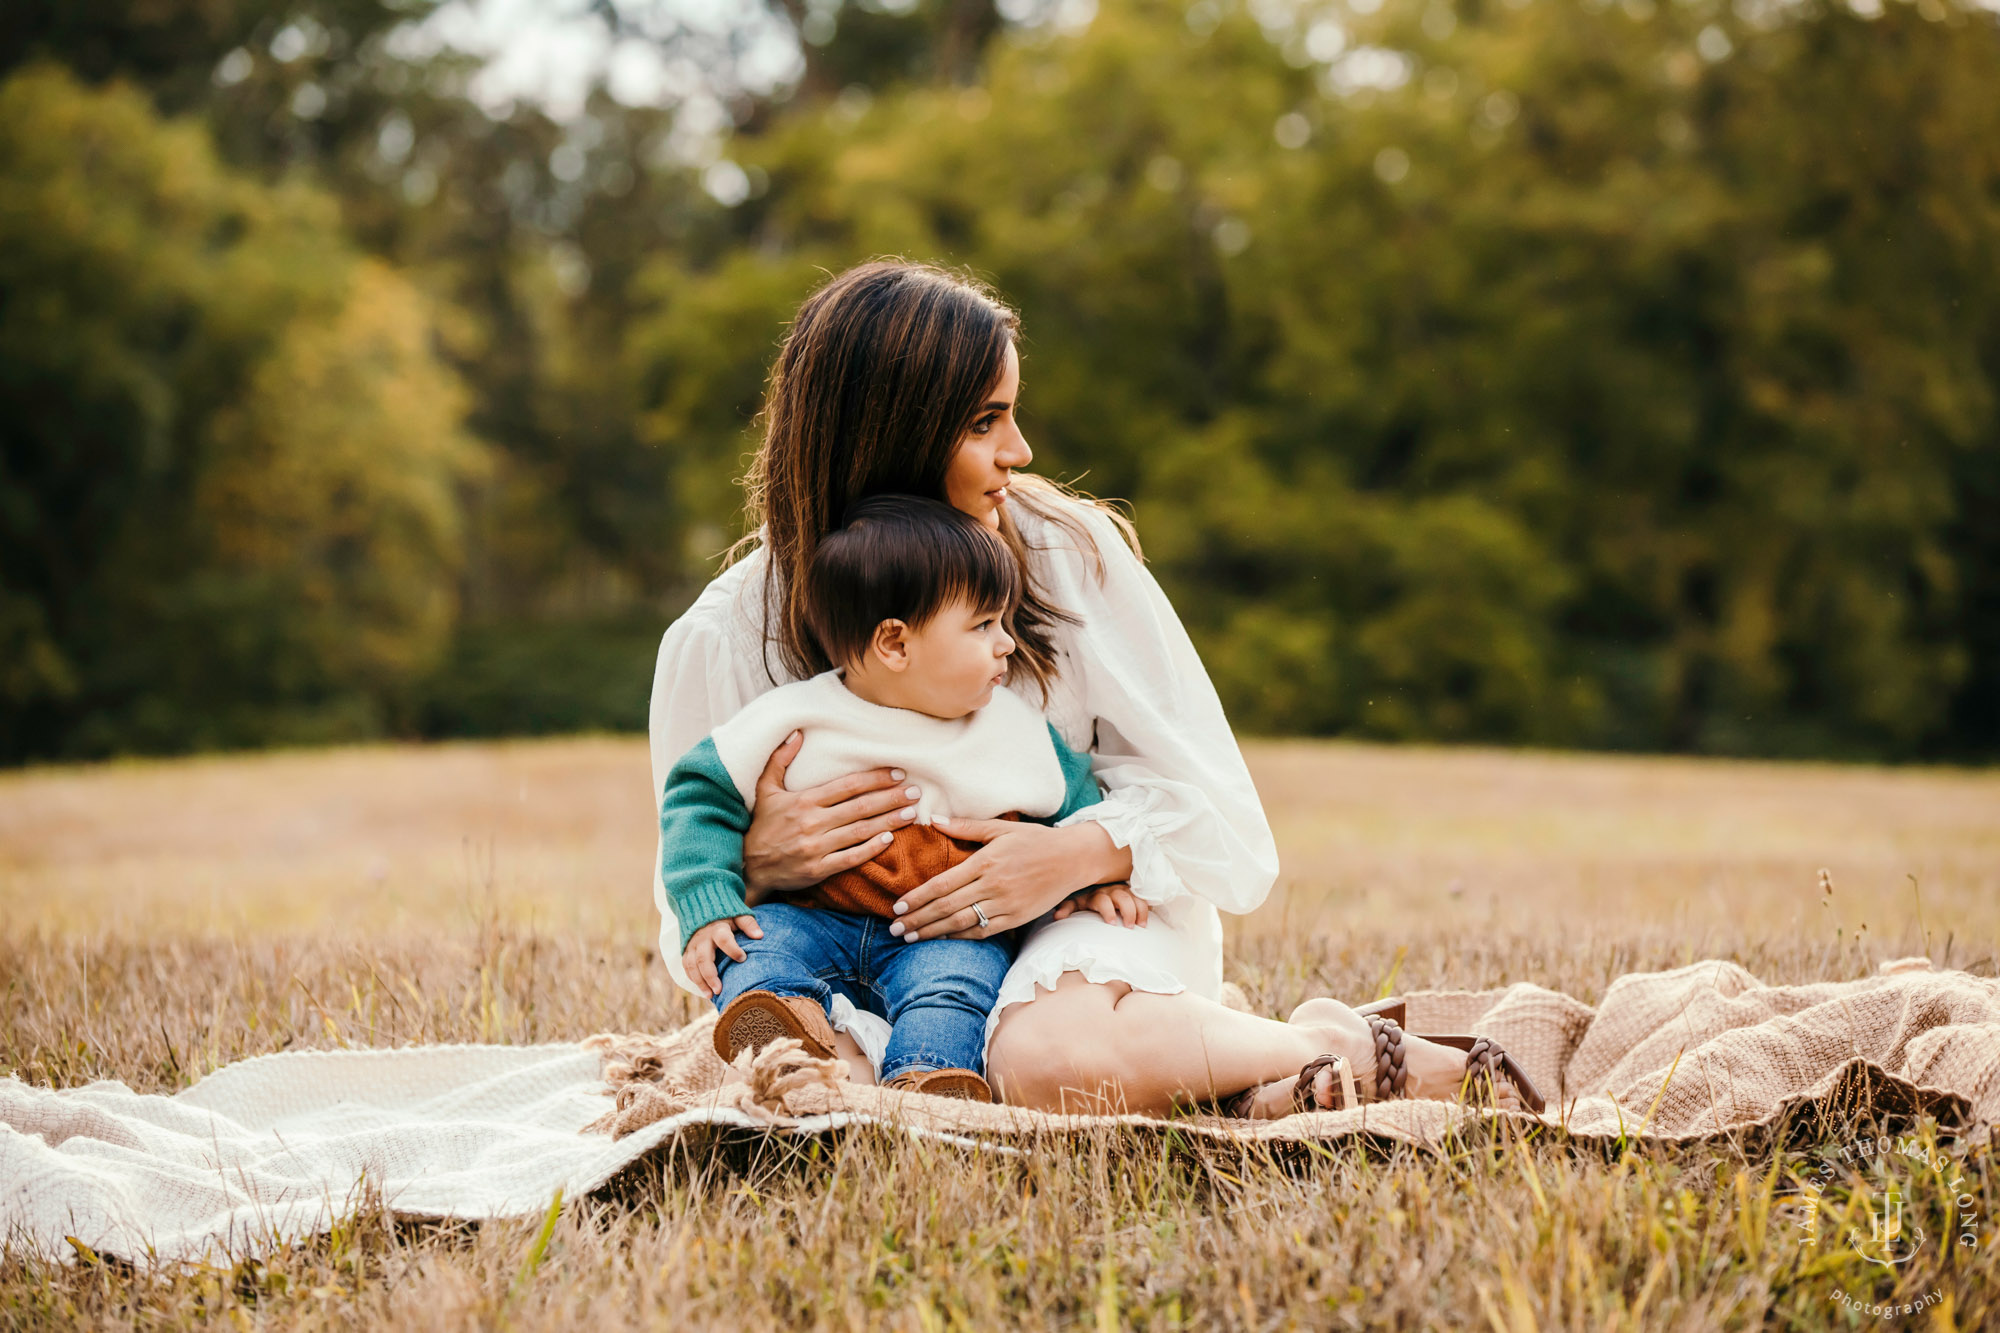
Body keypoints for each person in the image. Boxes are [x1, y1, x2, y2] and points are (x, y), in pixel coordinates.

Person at [648, 260, 1543, 1118]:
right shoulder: (725, 638)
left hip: (1083, 933)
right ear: (890, 443)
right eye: (983, 422)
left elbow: (1230, 832)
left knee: (1048, 1061)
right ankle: (1235, 1086)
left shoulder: (1066, 559)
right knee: (808, 1078)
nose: (1020, 449)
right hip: (855, 951)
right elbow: (684, 919)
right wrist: (752, 862)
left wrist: (1075, 854)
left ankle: (1324, 1045)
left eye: (1012, 413)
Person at [659, 494, 1145, 1101]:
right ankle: (783, 1026)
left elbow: (1074, 805)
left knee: (958, 985)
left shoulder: (1012, 730)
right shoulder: (797, 716)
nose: (1007, 645)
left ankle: (928, 1076)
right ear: (894, 643)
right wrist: (707, 895)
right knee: (759, 949)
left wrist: (1087, 877)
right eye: (983, 625)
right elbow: (698, 793)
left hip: (945, 933)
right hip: (812, 915)